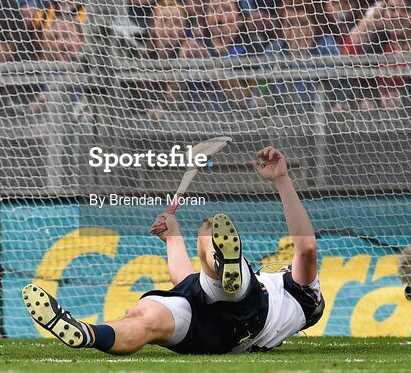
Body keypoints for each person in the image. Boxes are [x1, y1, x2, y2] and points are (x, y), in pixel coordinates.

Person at [23, 146, 324, 355]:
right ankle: (86, 333)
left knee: (213, 237)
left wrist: (283, 180)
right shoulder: (294, 301)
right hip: (214, 333)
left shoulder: (304, 295)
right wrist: (173, 239)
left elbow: (307, 247)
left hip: (242, 315)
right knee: (147, 318)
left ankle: (219, 265)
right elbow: (184, 282)